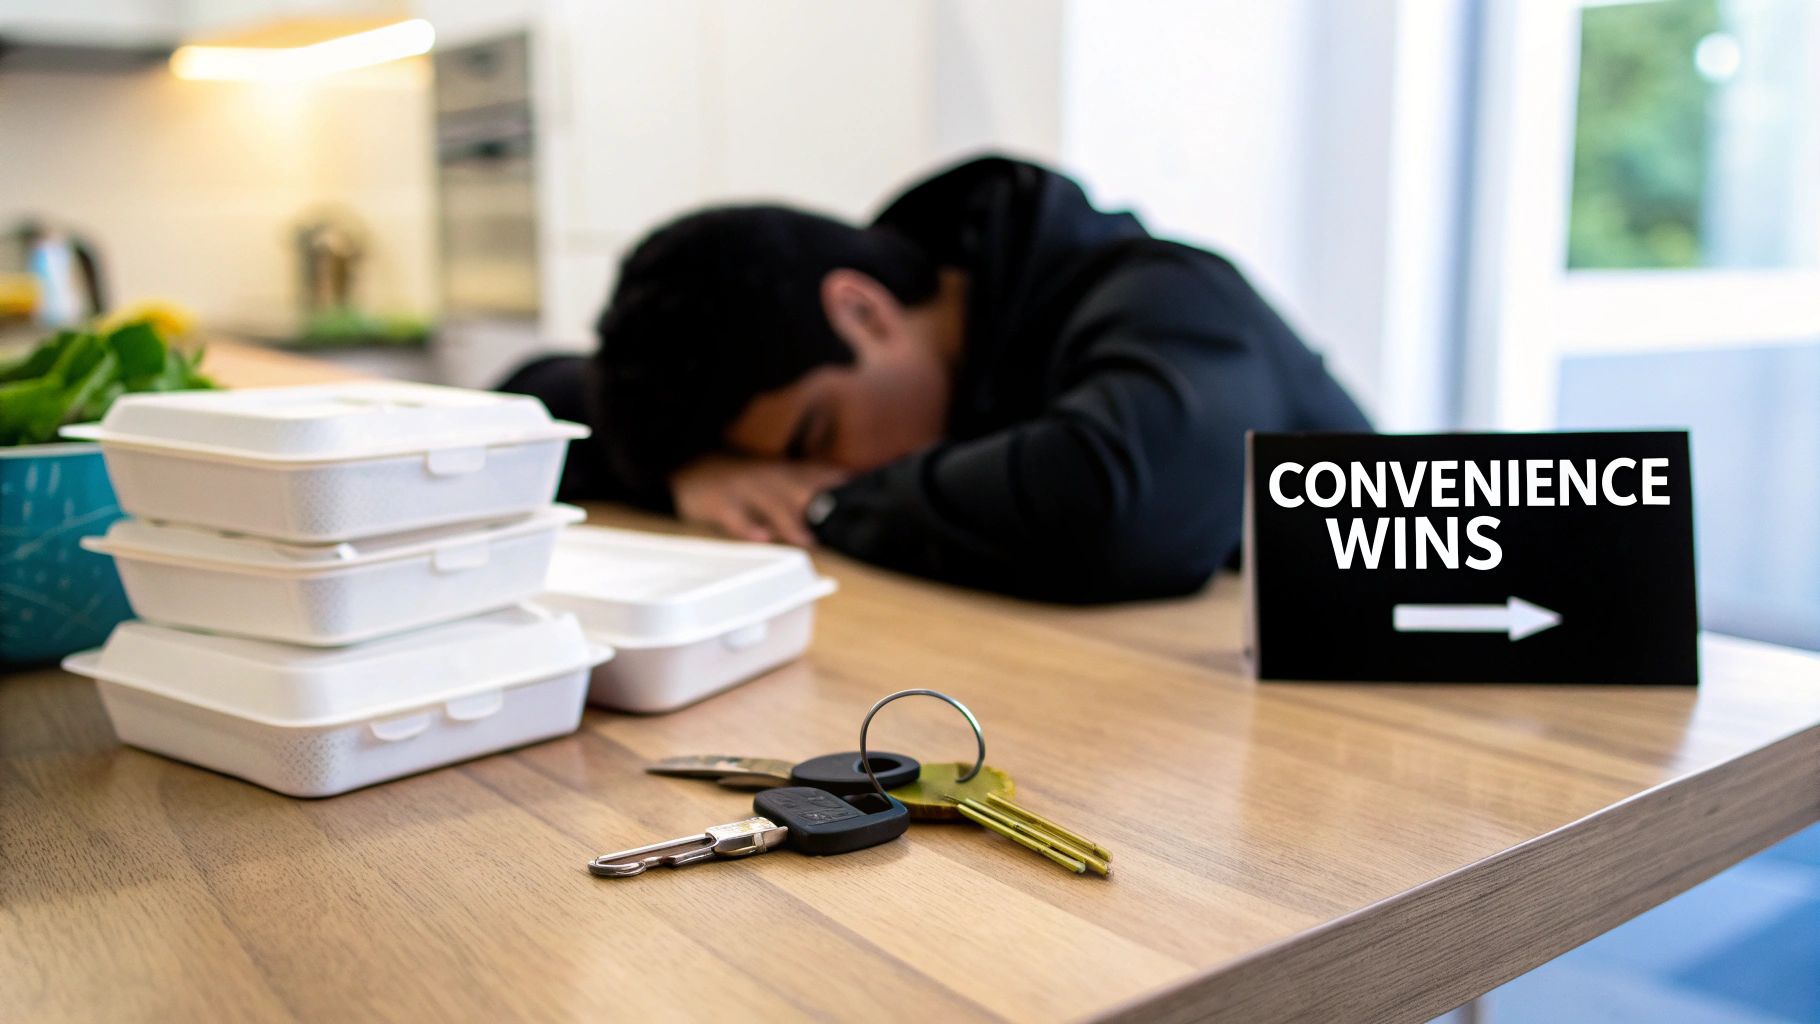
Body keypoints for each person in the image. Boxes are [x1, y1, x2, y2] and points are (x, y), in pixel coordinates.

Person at [502, 155, 1370, 602]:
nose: (816, 468)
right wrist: (693, 471)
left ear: (864, 313)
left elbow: (1113, 508)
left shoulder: (1168, 297)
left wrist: (825, 507)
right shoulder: (816, 360)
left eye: (815, 438)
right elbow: (528, 403)